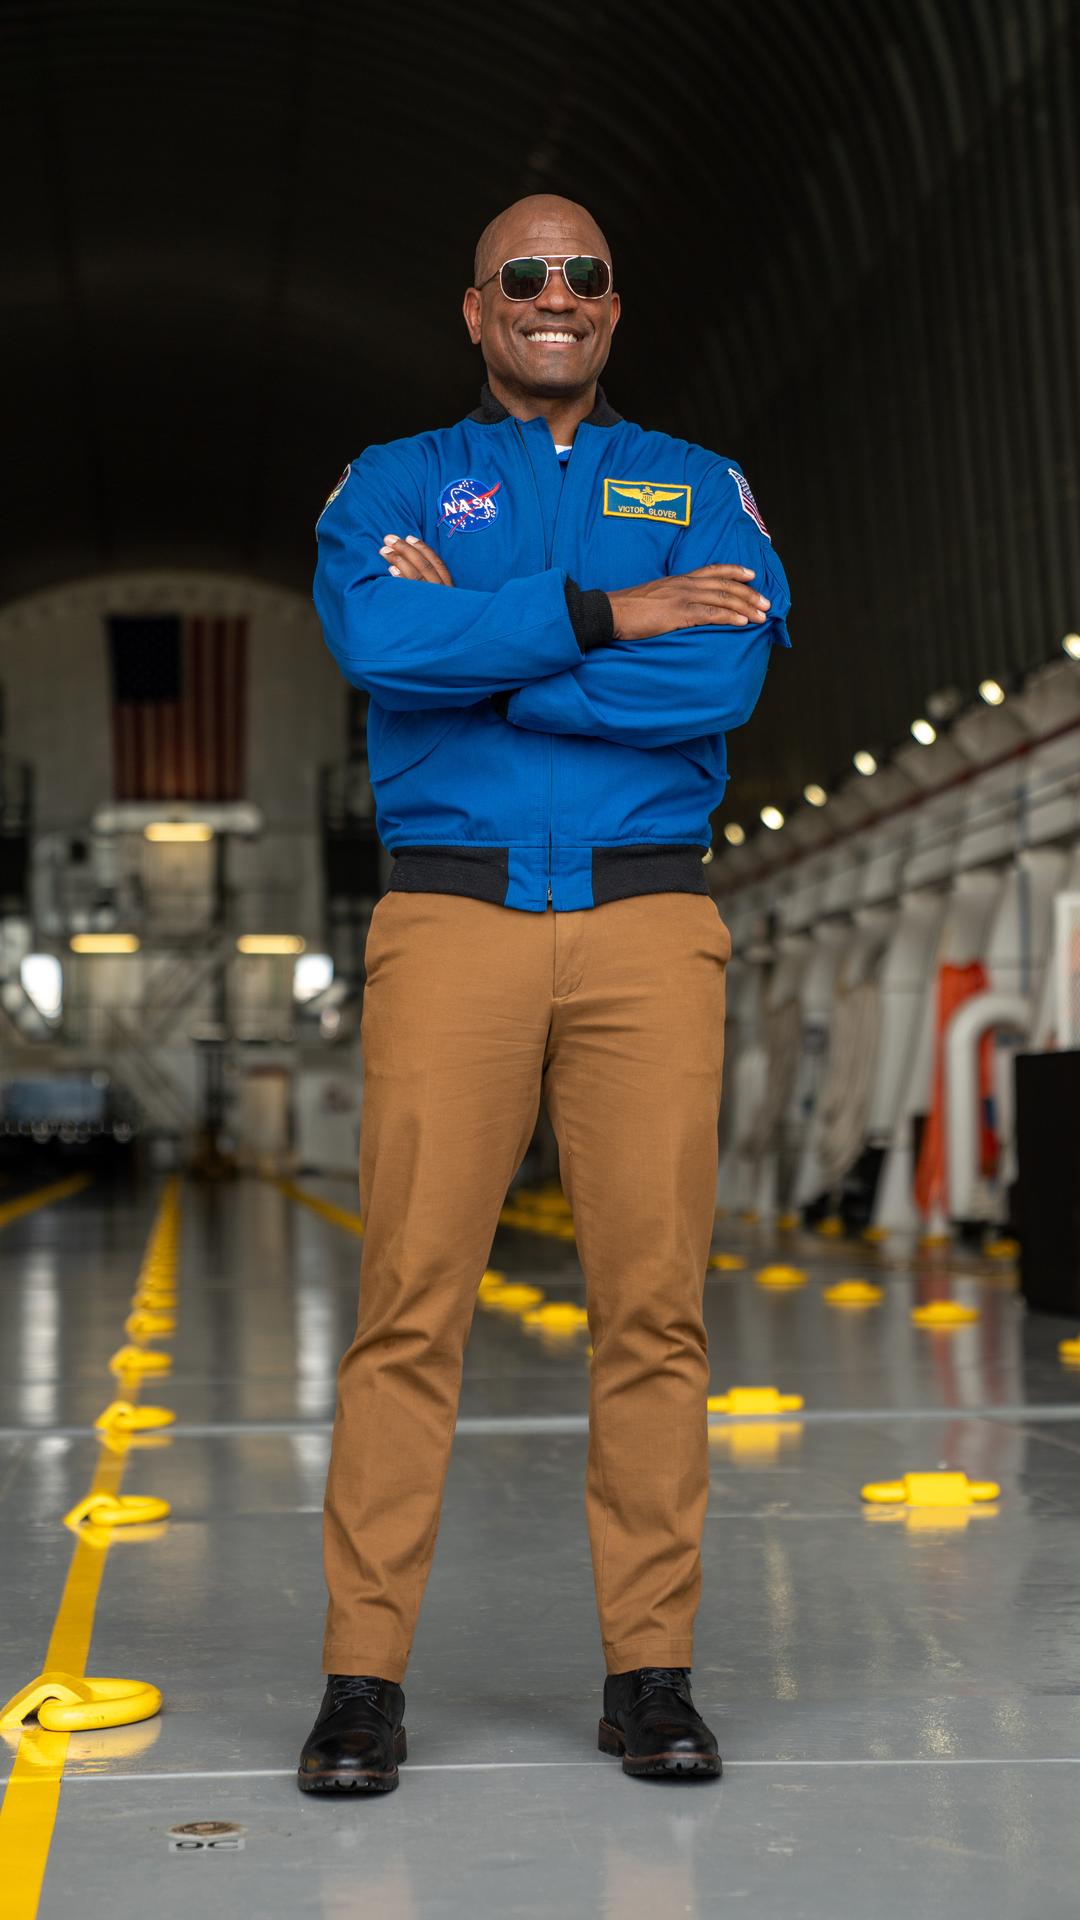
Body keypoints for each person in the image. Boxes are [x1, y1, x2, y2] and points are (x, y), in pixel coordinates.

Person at [297, 194, 791, 1794]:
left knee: (653, 1315)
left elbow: (719, 675)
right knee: (408, 1312)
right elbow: (382, 638)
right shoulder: (387, 483)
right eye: (526, 275)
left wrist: (491, 648)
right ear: (476, 310)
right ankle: (361, 1683)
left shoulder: (700, 484)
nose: (555, 296)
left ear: (613, 309)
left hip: (650, 928)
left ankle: (651, 1674)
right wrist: (608, 611)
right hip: (452, 927)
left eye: (582, 276)